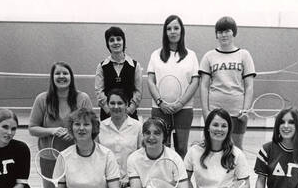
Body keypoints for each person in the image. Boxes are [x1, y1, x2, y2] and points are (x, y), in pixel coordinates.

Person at [29, 62, 93, 188]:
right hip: (49, 159)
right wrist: (52, 130)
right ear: (52, 77)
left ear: (71, 77)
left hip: (77, 157)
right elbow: (32, 128)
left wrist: (73, 133)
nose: (61, 76)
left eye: (65, 73)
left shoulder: (82, 99)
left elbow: (93, 127)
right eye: (58, 73)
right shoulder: (42, 100)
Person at [199, 16, 256, 151]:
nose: (223, 35)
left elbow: (249, 86)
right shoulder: (209, 56)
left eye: (227, 31)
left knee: (236, 149)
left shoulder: (244, 55)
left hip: (237, 112)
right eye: (220, 32)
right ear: (216, 35)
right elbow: (204, 86)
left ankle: (238, 173)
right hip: (215, 111)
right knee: (212, 148)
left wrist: (246, 110)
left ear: (233, 33)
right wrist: (206, 111)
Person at [147, 15, 199, 158]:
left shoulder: (191, 55)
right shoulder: (155, 55)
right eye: (169, 28)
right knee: (162, 148)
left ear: (182, 31)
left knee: (181, 148)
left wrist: (181, 103)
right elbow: (151, 81)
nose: (173, 31)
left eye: (176, 28)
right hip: (160, 109)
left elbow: (195, 82)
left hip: (184, 109)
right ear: (165, 32)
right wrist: (160, 102)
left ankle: (181, 178)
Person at [97, 88, 142, 188]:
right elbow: (97, 158)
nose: (116, 107)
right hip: (105, 182)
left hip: (129, 182)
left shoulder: (137, 126)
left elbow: (141, 156)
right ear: (107, 105)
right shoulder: (99, 127)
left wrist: (128, 178)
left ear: (127, 105)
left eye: (120, 103)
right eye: (112, 103)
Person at [95, 26, 143, 121]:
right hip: (107, 116)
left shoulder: (135, 65)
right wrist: (109, 111)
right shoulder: (101, 66)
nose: (116, 42)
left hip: (130, 115)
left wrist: (129, 110)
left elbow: (138, 91)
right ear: (108, 44)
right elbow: (99, 91)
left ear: (123, 41)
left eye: (118, 39)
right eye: (111, 40)